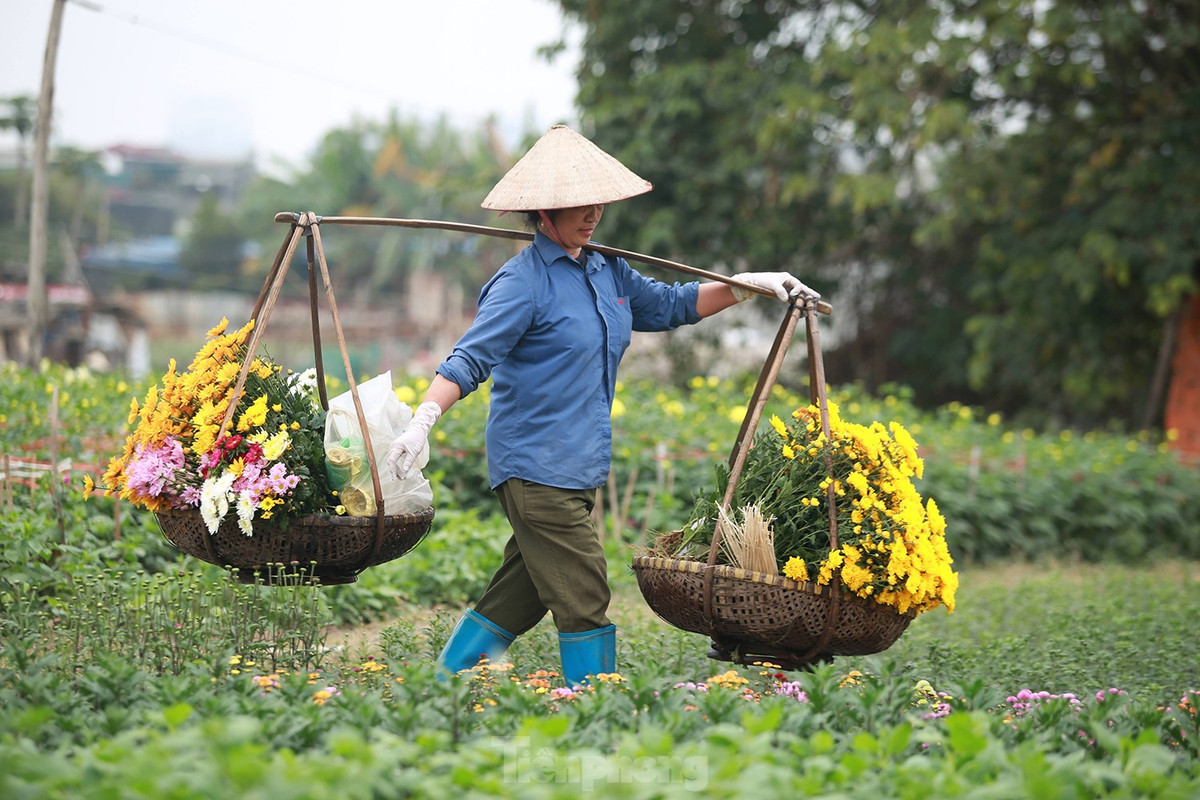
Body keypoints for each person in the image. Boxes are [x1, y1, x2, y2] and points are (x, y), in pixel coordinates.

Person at [387, 125, 818, 686]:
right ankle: (596, 703)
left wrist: (744, 287)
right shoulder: (522, 283)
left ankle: (441, 685)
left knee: (525, 589)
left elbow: (670, 306)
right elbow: (469, 359)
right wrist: (422, 421)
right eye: (579, 205)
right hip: (534, 465)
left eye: (599, 203)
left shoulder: (607, 269)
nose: (593, 214)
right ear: (544, 211)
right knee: (585, 588)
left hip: (580, 464)